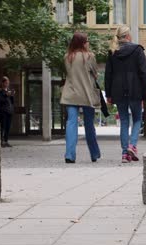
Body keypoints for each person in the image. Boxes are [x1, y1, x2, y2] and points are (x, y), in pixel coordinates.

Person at [105, 26, 146, 163]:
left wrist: (108, 93)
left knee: (124, 121)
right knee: (137, 119)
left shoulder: (113, 52)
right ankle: (132, 145)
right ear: (127, 36)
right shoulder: (137, 50)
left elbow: (108, 75)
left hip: (118, 90)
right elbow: (144, 72)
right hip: (135, 89)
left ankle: (125, 153)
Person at [60, 32, 101, 164]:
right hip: (86, 95)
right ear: (83, 43)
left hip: (71, 94)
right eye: (87, 41)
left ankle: (69, 155)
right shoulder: (89, 56)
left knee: (71, 123)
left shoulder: (67, 57)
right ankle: (94, 154)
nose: (88, 43)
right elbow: (95, 74)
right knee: (89, 124)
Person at [0, 76, 15, 148]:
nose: (7, 84)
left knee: (8, 127)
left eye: (8, 82)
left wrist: (12, 95)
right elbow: (0, 101)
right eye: (6, 82)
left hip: (9, 111)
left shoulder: (8, 90)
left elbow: (12, 102)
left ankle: (6, 141)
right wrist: (6, 95)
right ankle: (1, 142)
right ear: (3, 83)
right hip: (2, 112)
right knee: (2, 127)